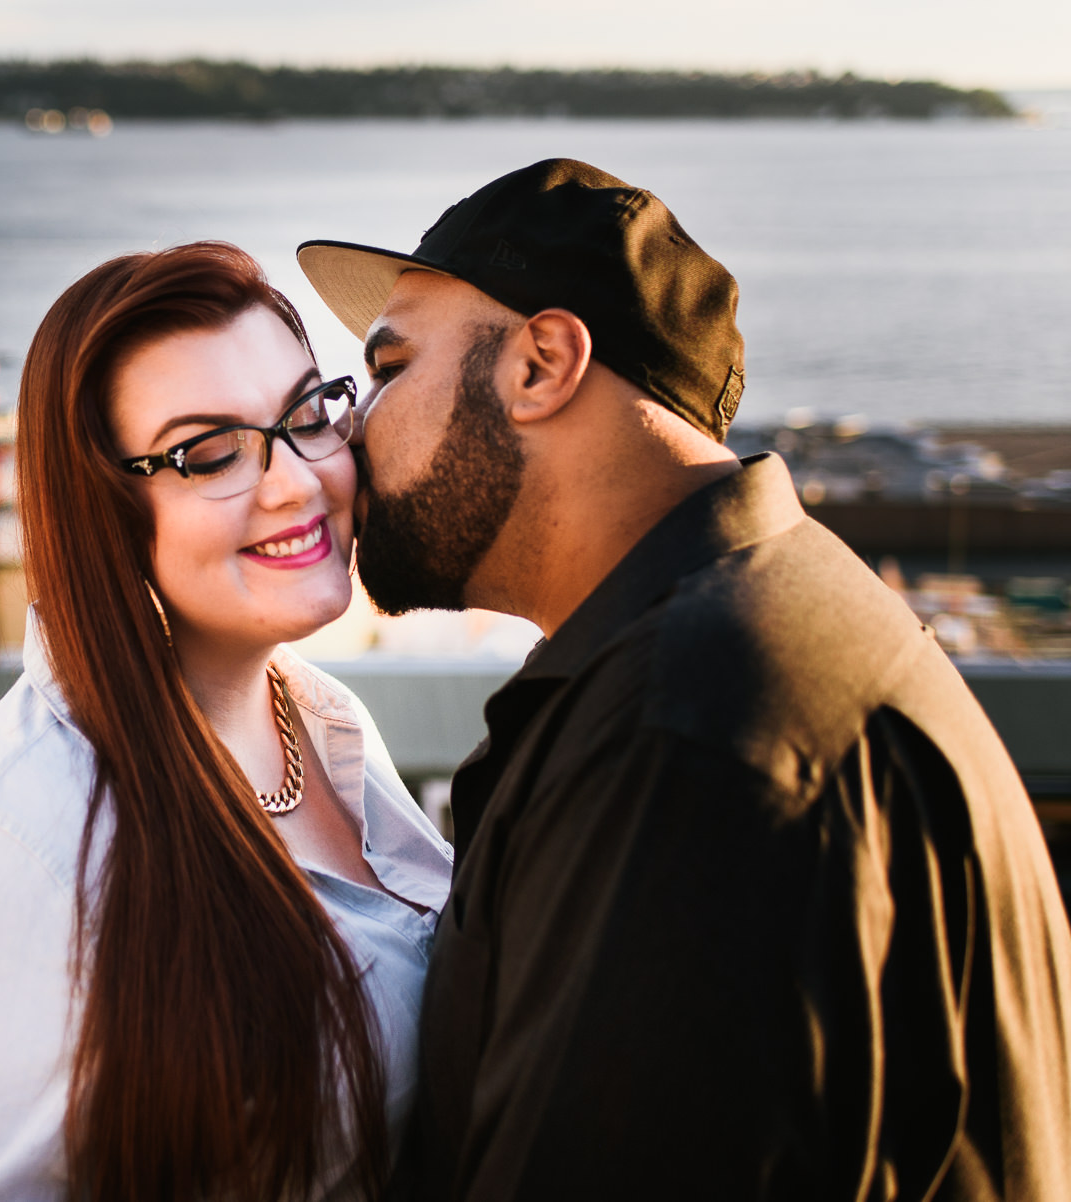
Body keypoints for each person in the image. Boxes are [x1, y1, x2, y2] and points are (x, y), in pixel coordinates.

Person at [297, 159, 1071, 1199]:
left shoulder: (685, 738)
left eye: (388, 369)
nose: (351, 429)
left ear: (542, 364)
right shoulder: (775, 620)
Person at [0, 242, 452, 1202]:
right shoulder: (7, 840)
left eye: (304, 415)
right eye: (207, 453)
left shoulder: (321, 722)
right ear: (104, 512)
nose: (293, 481)